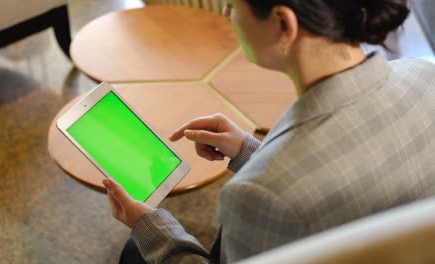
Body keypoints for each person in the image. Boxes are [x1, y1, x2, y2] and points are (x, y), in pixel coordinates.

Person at [102, 0, 435, 263]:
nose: (227, 13)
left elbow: (290, 194)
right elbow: (336, 172)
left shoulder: (257, 195)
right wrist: (253, 152)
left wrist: (149, 226)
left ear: (282, 23)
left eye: (233, 5)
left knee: (136, 250)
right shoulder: (425, 75)